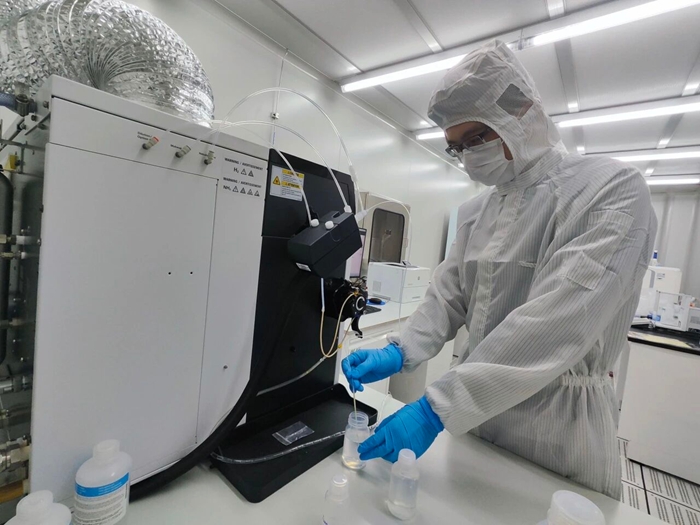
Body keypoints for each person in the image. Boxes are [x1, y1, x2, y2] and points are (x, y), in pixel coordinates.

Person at [342, 40, 656, 499]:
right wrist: (400, 350)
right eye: (456, 147)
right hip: (476, 424)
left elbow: (556, 323)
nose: (467, 157)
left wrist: (436, 408)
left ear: (521, 115)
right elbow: (448, 294)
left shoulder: (609, 190)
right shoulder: (476, 212)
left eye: (475, 139)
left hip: (557, 429)